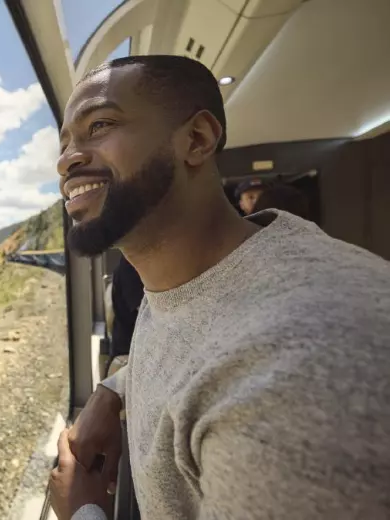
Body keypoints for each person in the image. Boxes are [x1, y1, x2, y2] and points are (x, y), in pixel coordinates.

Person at [49, 54, 390, 520]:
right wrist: (113, 390)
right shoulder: (191, 277)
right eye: (65, 142)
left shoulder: (300, 371)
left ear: (197, 139)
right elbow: (191, 343)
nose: (67, 159)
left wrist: (82, 511)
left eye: (100, 125)